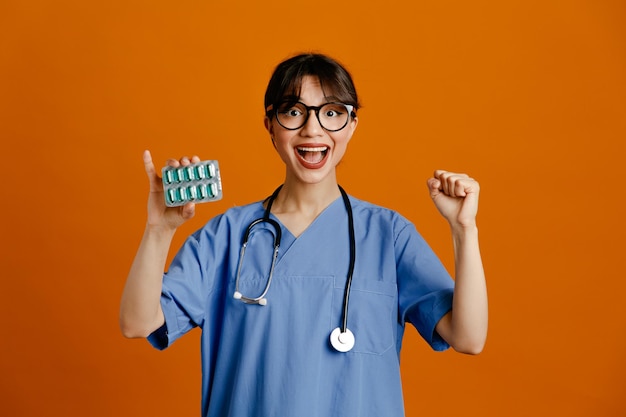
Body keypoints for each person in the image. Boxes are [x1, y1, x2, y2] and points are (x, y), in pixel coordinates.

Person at [120, 53, 488, 417]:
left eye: (331, 112)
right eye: (294, 112)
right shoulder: (226, 236)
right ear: (270, 125)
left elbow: (468, 338)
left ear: (352, 125)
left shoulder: (388, 235)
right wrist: (158, 229)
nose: (312, 130)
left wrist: (463, 230)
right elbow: (137, 323)